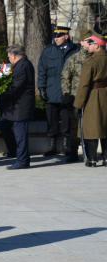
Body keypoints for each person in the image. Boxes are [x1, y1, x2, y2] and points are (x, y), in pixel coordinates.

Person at [38, 26, 79, 157]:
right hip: (51, 90)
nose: (56, 38)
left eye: (59, 36)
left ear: (66, 36)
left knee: (67, 121)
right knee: (51, 120)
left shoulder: (75, 50)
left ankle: (67, 146)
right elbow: (42, 71)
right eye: (55, 36)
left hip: (68, 92)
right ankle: (52, 146)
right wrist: (41, 87)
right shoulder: (48, 51)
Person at [0, 45, 35, 170]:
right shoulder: (22, 64)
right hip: (18, 106)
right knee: (17, 132)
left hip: (21, 105)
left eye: (9, 57)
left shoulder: (23, 66)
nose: (9, 59)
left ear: (14, 56)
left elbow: (17, 86)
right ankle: (21, 158)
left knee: (21, 135)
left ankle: (22, 161)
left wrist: (2, 93)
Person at [74, 33, 107, 167]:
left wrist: (78, 104)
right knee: (105, 126)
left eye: (91, 44)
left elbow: (84, 85)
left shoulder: (91, 61)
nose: (88, 47)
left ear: (97, 45)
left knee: (91, 127)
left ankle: (92, 159)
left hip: (93, 95)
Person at [61, 31, 92, 163]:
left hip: (91, 96)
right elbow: (65, 76)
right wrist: (66, 93)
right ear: (81, 42)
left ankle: (90, 153)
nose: (89, 43)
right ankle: (72, 152)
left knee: (90, 126)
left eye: (91, 41)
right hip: (75, 96)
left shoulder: (95, 57)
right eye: (87, 41)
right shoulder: (74, 58)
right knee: (73, 127)